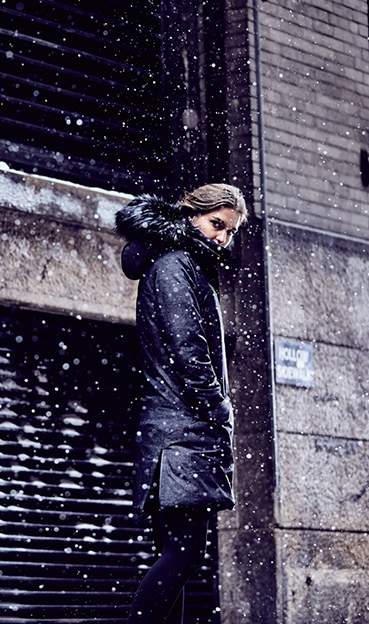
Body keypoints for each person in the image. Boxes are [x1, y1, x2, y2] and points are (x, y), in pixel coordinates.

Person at [114, 183, 247, 623]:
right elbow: (187, 349)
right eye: (216, 224)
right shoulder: (176, 264)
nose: (222, 237)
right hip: (181, 437)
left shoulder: (180, 263)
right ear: (191, 215)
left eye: (230, 231)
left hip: (174, 435)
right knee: (184, 555)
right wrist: (218, 406)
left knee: (177, 555)